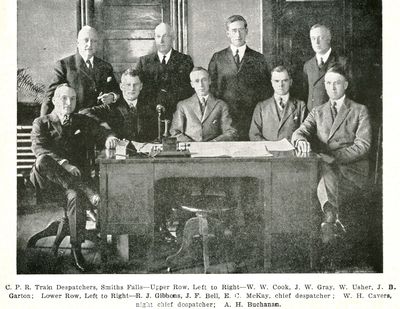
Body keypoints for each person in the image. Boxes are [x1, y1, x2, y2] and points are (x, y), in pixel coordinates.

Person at [30, 84, 119, 272]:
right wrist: (64, 164)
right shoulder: (41, 122)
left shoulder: (82, 120)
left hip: (72, 184)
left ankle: (76, 250)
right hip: (50, 182)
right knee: (42, 160)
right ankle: (87, 190)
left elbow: (101, 131)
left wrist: (109, 137)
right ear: (54, 100)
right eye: (63, 98)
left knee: (75, 196)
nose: (68, 103)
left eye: (72, 99)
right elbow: (39, 149)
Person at [292, 65, 371, 244]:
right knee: (323, 172)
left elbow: (363, 145)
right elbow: (299, 132)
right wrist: (301, 141)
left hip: (351, 169)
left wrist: (335, 158)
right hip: (326, 169)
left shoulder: (359, 110)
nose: (332, 88)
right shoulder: (317, 111)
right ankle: (331, 220)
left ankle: (329, 218)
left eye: (336, 83)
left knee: (324, 170)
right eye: (328, 83)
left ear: (346, 85)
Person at [208, 15, 272, 140]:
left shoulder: (258, 58)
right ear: (228, 33)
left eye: (241, 30)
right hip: (224, 119)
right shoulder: (217, 58)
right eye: (234, 30)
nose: (238, 34)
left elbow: (266, 91)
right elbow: (211, 89)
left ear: (246, 31)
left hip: (251, 118)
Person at [41, 25, 119, 116]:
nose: (90, 44)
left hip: (100, 119)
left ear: (97, 44)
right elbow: (50, 98)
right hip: (74, 121)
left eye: (94, 41)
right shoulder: (64, 65)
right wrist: (43, 123)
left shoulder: (105, 66)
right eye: (86, 40)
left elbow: (116, 90)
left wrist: (112, 96)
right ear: (78, 43)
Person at [80, 69, 157, 142]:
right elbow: (84, 113)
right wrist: (102, 124)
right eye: (128, 85)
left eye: (135, 84)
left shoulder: (149, 107)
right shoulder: (111, 107)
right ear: (121, 87)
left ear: (141, 86)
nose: (132, 88)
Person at [136, 23, 194, 121]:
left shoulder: (185, 60)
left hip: (177, 115)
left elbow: (189, 89)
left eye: (165, 36)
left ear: (173, 38)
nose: (161, 41)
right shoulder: (144, 62)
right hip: (150, 116)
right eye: (158, 36)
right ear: (154, 38)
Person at [170, 67, 238, 142]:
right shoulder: (183, 105)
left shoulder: (221, 105)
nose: (201, 85)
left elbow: (231, 132)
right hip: (191, 150)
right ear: (192, 84)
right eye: (196, 81)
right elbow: (175, 132)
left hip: (214, 150)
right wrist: (192, 144)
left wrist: (214, 142)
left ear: (209, 81)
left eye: (204, 80)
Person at [249, 66, 306, 141]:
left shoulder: (300, 106)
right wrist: (271, 146)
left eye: (285, 80)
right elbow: (254, 134)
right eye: (277, 81)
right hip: (267, 151)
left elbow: (304, 133)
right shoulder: (261, 107)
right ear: (271, 82)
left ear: (291, 82)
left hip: (292, 151)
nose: (281, 85)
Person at [303, 24, 350, 112]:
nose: (316, 42)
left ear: (329, 39)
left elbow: (351, 95)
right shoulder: (308, 65)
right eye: (313, 38)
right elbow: (305, 94)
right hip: (313, 118)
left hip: (334, 117)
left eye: (320, 38)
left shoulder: (343, 62)